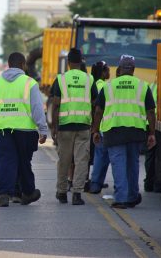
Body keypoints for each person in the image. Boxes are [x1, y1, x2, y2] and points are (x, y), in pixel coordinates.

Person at [92, 55, 156, 209]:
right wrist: (152, 133)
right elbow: (150, 112)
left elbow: (98, 110)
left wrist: (95, 130)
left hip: (114, 131)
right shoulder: (143, 86)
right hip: (136, 131)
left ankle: (121, 198)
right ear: (133, 70)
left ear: (119, 69)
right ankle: (132, 196)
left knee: (118, 163)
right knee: (133, 163)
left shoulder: (108, 86)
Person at [0, 52, 48, 207]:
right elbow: (37, 108)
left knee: (4, 161)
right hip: (24, 129)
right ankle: (27, 192)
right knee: (23, 161)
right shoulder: (29, 83)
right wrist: (43, 129)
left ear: (8, 64)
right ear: (23, 65)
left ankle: (5, 194)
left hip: (1, 129)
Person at [51, 48, 98, 205]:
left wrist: (54, 127)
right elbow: (94, 104)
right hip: (84, 125)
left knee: (64, 160)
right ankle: (77, 194)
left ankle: (62, 192)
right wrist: (94, 126)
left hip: (65, 126)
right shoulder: (89, 79)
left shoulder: (61, 79)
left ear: (69, 63)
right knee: (81, 160)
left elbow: (56, 104)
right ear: (81, 62)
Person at [89, 61, 111, 194]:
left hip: (98, 125)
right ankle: (95, 183)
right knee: (101, 157)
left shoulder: (94, 84)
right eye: (107, 70)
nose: (109, 72)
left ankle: (97, 183)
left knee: (101, 157)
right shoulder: (103, 86)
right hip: (103, 126)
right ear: (102, 72)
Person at [144, 80, 161, 193]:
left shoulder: (153, 85)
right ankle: (155, 184)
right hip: (157, 123)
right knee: (157, 156)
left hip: (150, 124)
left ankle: (149, 183)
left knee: (150, 156)